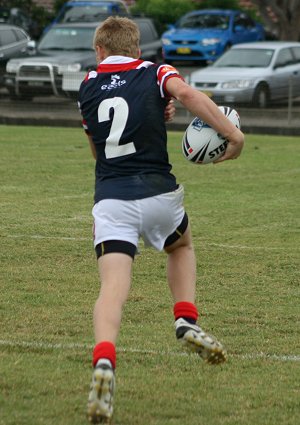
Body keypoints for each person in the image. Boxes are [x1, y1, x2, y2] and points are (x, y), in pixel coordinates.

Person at [78, 16, 244, 424]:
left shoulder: (86, 85)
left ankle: (104, 362)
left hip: (112, 198)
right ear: (137, 49)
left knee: (113, 286)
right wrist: (235, 137)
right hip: (158, 194)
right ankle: (185, 319)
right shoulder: (155, 71)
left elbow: (99, 149)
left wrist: (154, 114)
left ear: (100, 51)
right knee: (181, 245)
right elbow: (187, 94)